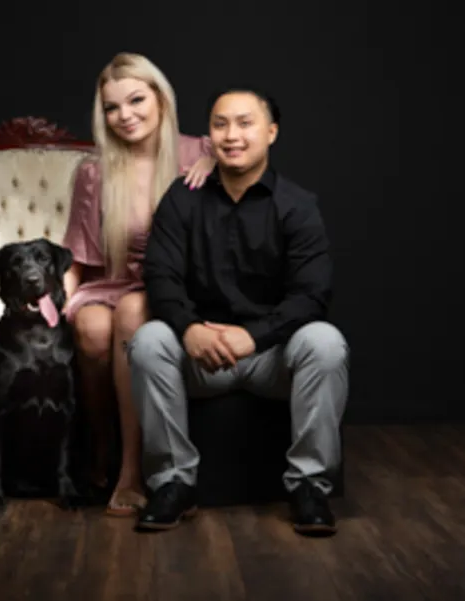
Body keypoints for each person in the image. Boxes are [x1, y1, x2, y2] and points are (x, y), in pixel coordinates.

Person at [126, 84, 350, 536]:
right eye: (220, 124)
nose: (232, 135)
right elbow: (160, 275)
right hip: (201, 356)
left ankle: (309, 487)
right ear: (209, 135)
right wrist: (189, 329)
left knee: (326, 342)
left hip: (272, 357)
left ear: (271, 132)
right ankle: (173, 483)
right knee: (149, 340)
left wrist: (255, 337)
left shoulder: (297, 205)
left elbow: (312, 294)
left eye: (245, 123)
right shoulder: (183, 198)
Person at [61, 52, 217, 517]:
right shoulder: (94, 171)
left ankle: (131, 470)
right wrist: (53, 304)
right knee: (91, 328)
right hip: (109, 281)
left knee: (131, 312)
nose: (125, 115)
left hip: (170, 285)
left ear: (160, 99)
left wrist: (214, 165)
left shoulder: (202, 152)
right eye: (112, 107)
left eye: (136, 100)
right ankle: (100, 443)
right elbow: (78, 256)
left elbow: (247, 182)